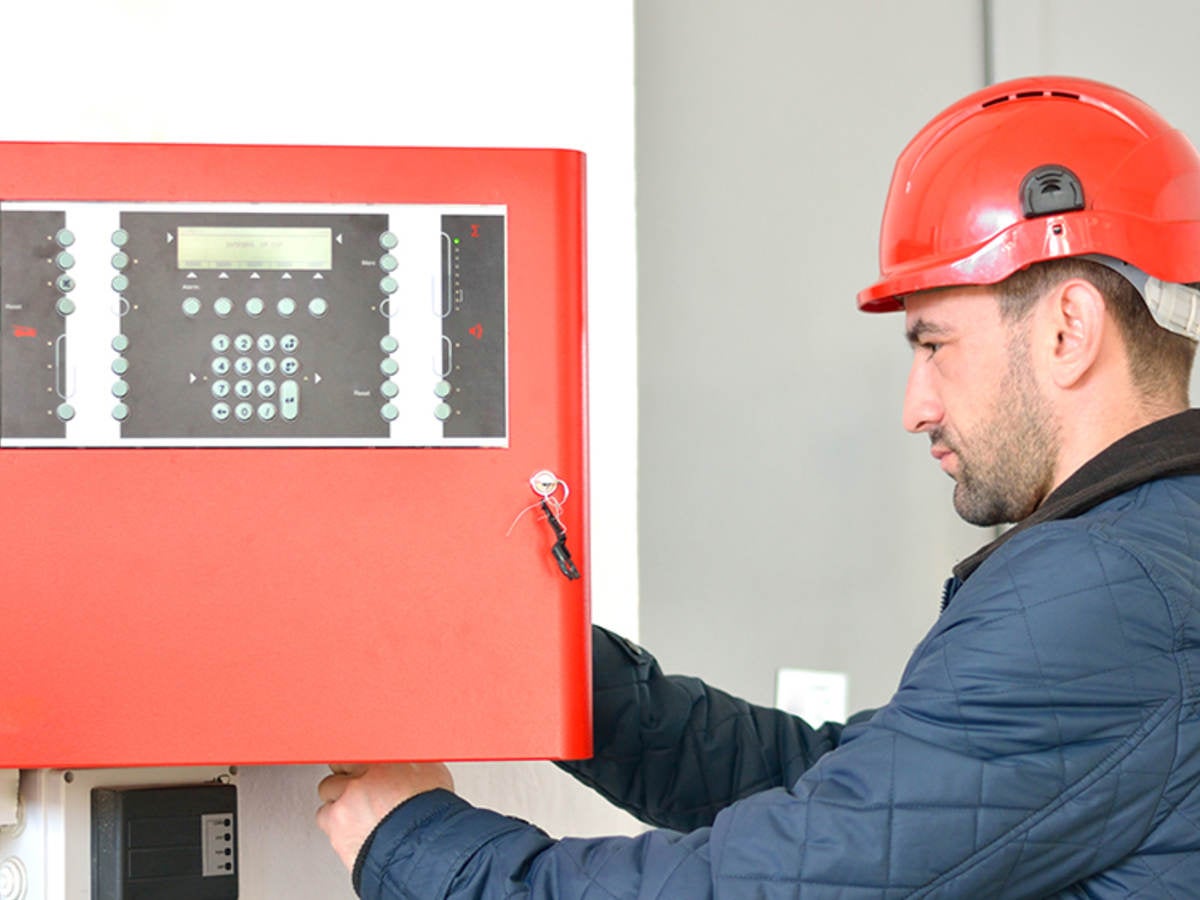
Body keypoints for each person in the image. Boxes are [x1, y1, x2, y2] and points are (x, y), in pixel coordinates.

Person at [316, 75, 1200, 897]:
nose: (914, 406)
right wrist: (543, 660)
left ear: (1067, 330)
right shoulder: (1155, 552)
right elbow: (844, 793)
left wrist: (413, 840)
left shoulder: (1106, 594)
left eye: (934, 345)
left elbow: (778, 880)